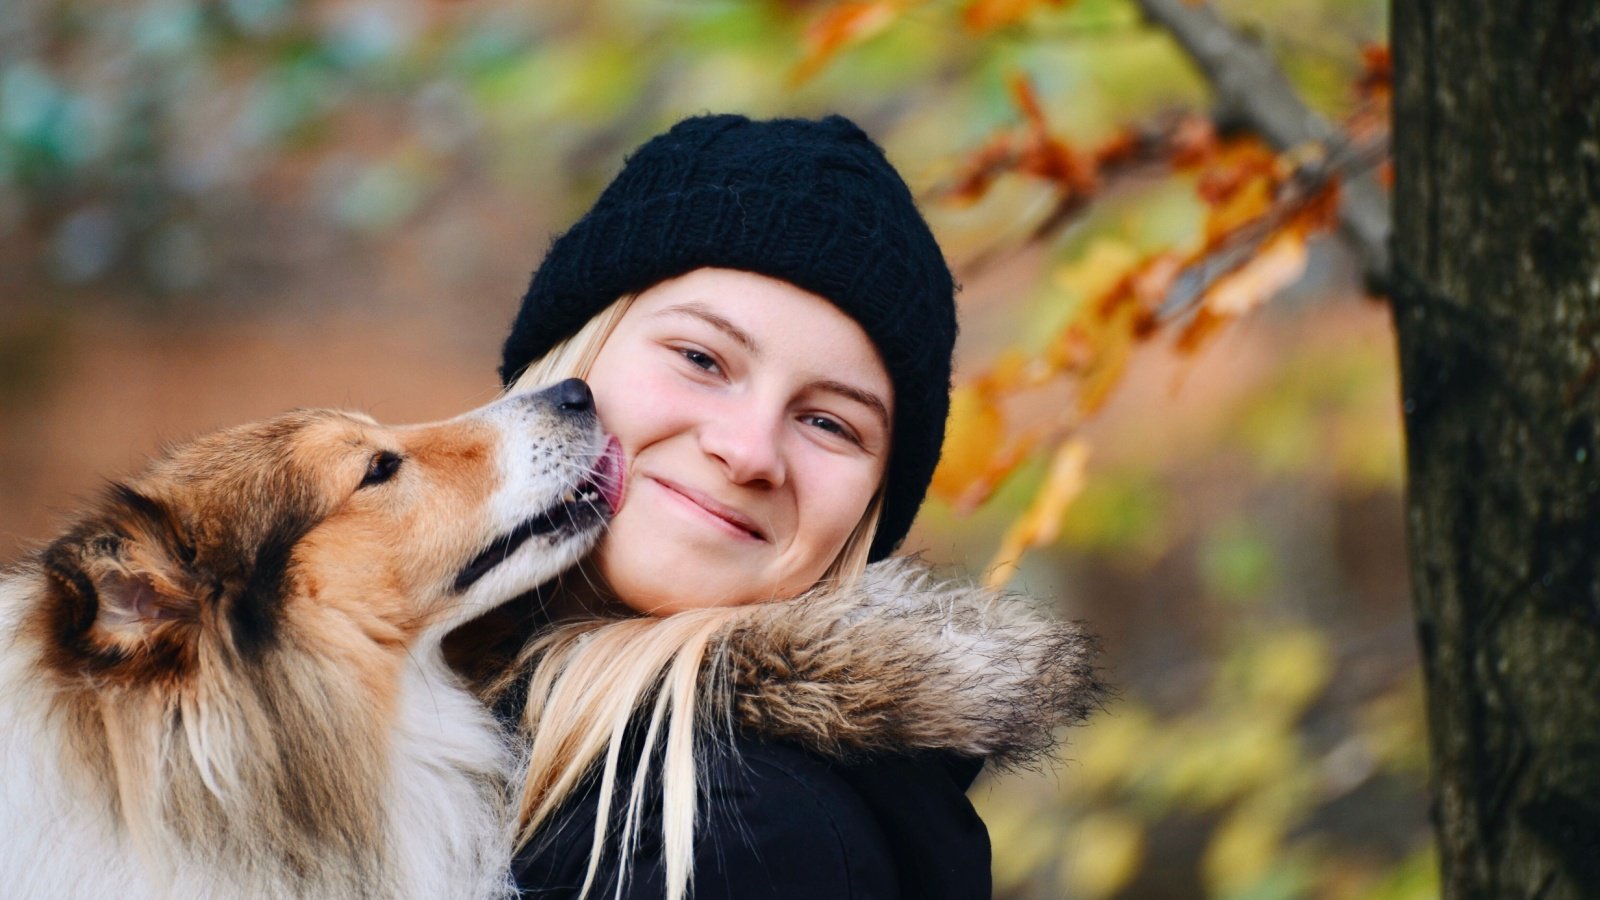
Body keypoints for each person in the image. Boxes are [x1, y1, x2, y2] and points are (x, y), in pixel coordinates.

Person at [485, 113, 1102, 900]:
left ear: (869, 511)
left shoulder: (751, 834)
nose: (748, 452)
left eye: (828, 423)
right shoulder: (381, 691)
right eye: (702, 359)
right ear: (574, 357)